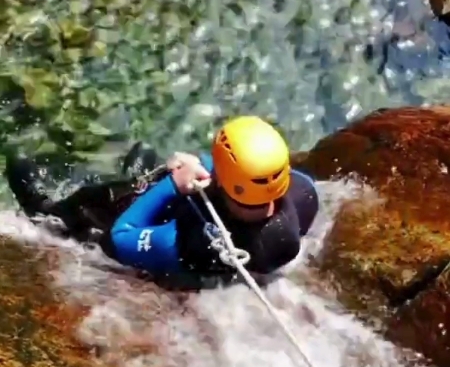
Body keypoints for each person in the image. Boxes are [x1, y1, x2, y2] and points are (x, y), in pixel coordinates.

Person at [4, 116, 319, 287]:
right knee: (145, 164)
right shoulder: (303, 195)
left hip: (140, 231)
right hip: (228, 208)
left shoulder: (191, 239)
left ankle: (39, 207)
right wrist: (206, 170)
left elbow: (120, 239)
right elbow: (250, 186)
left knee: (91, 204)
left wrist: (173, 184)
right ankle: (139, 164)